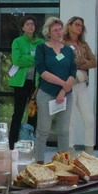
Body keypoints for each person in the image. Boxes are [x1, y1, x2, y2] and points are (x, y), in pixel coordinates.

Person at [32, 17, 76, 157]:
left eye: (60, 29)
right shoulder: (42, 48)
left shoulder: (68, 50)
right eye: (55, 30)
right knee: (43, 130)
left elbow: (72, 71)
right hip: (46, 92)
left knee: (63, 130)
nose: (58, 32)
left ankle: (63, 162)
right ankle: (39, 161)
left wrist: (63, 90)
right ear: (48, 32)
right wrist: (63, 84)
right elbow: (42, 71)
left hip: (66, 94)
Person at [5, 16, 41, 148]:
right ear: (23, 27)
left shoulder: (40, 42)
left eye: (32, 24)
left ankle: (30, 142)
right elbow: (17, 60)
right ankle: (12, 143)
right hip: (21, 82)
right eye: (27, 24)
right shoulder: (18, 41)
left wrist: (27, 58)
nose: (31, 26)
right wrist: (34, 59)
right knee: (18, 112)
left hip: (35, 83)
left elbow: (42, 60)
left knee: (33, 113)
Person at [64, 15, 97, 153]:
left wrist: (81, 63)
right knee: (70, 119)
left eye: (81, 25)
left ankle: (89, 150)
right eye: (77, 24)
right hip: (69, 84)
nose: (79, 27)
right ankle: (69, 149)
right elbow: (64, 62)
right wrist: (81, 62)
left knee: (89, 118)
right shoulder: (62, 43)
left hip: (82, 84)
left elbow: (94, 62)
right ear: (69, 25)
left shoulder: (83, 44)